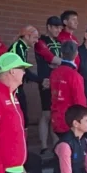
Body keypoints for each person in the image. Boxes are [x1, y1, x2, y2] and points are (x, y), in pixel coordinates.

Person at [34, 17, 64, 155]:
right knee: (46, 114)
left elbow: (60, 60)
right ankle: (44, 146)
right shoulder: (40, 42)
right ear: (49, 27)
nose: (59, 30)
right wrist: (59, 62)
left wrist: (59, 62)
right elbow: (51, 58)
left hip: (58, 80)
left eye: (60, 28)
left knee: (55, 113)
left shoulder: (59, 42)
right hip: (46, 80)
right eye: (56, 27)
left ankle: (56, 145)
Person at [50, 41, 87, 138]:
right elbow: (80, 103)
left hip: (56, 119)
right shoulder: (75, 76)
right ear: (76, 54)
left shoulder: (54, 73)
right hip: (70, 122)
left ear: (61, 54)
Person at [9, 25, 41, 127]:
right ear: (27, 36)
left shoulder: (22, 47)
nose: (37, 41)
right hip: (12, 87)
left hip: (16, 86)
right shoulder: (19, 46)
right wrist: (40, 80)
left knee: (22, 115)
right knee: (21, 116)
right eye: (35, 37)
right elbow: (22, 69)